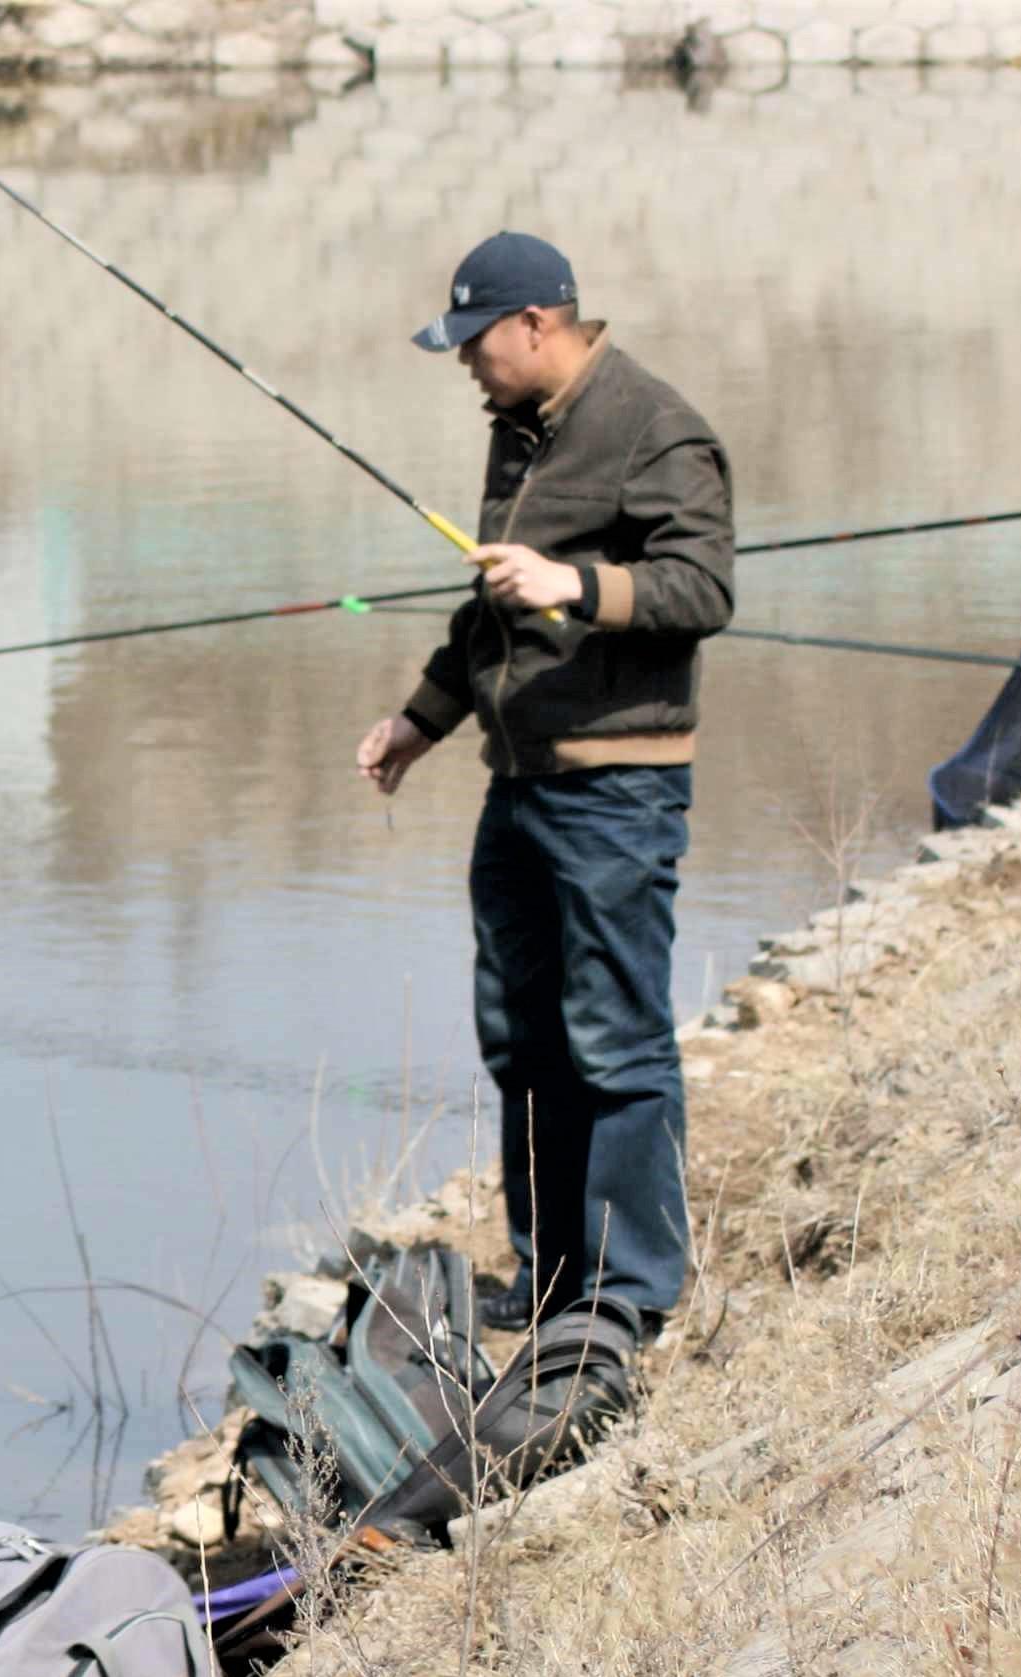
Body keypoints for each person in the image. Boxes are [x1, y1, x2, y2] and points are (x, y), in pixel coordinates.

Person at [354, 232, 734, 1338]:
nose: (467, 363)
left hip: (619, 785)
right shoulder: (519, 436)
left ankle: (632, 1294)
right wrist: (422, 720)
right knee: (523, 1035)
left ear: (537, 324)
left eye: (476, 343)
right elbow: (494, 611)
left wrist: (576, 579)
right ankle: (554, 1273)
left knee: (615, 1037)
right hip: (517, 781)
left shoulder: (656, 429)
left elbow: (702, 587)